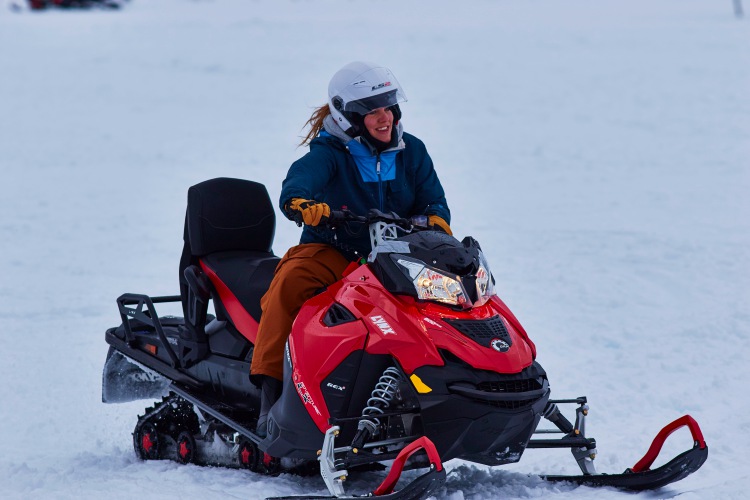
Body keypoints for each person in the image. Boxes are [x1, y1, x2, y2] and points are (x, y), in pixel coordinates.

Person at [251, 61, 452, 436]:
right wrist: (304, 206)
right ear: (349, 117)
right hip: (333, 251)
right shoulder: (329, 153)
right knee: (289, 285)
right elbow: (296, 186)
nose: (384, 117)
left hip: (395, 257)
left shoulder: (413, 152)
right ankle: (270, 397)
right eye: (372, 110)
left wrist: (437, 220)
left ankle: (444, 392)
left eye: (389, 106)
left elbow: (434, 203)